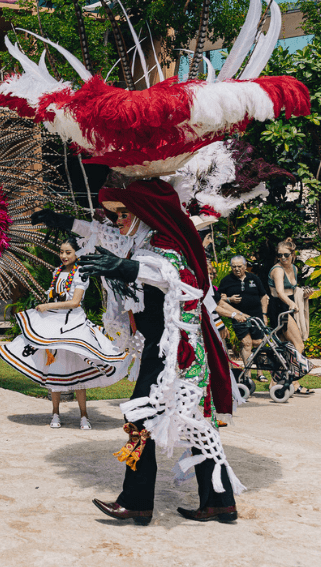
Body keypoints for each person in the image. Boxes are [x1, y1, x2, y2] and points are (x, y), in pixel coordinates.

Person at [34, 180, 241, 526]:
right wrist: (66, 223)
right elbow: (102, 234)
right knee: (195, 425)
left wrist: (128, 269)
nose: (117, 220)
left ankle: (137, 502)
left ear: (145, 213)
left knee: (139, 419)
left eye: (123, 213)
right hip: (164, 349)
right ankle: (219, 503)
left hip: (174, 351)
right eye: (116, 213)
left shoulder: (163, 243)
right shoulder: (139, 240)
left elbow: (176, 276)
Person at [0, 238, 127, 429]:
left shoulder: (81, 273)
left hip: (73, 323)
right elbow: (56, 295)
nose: (64, 256)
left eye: (68, 252)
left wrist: (48, 305)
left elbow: (75, 302)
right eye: (61, 252)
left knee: (79, 371)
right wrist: (48, 308)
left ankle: (84, 415)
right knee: (55, 369)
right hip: (54, 323)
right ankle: (55, 414)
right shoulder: (57, 272)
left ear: (77, 254)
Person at [268, 240, 311, 395]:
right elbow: (280, 292)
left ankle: (275, 382)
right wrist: (291, 303)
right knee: (298, 345)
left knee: (284, 348)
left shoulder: (294, 268)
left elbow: (293, 289)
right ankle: (291, 381)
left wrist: (303, 295)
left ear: (293, 254)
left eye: (286, 255)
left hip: (288, 306)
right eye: (280, 255)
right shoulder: (278, 270)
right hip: (280, 308)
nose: (283, 258)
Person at [217, 256, 269, 368]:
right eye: (234, 266)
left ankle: (260, 372)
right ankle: (248, 374)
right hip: (239, 317)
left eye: (239, 266)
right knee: (246, 343)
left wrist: (264, 314)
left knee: (258, 343)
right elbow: (218, 300)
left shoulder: (254, 278)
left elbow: (264, 296)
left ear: (245, 266)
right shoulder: (226, 281)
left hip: (256, 316)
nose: (236, 269)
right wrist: (230, 299)